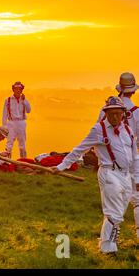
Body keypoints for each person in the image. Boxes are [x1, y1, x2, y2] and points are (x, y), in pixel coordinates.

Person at [51, 96, 139, 254]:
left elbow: (135, 156)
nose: (114, 116)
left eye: (117, 113)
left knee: (119, 211)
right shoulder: (99, 129)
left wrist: (137, 177)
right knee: (113, 212)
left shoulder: (128, 130)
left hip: (126, 176)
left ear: (123, 114)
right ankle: (108, 249)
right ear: (105, 113)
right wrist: (61, 166)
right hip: (108, 172)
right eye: (110, 113)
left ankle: (109, 241)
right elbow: (79, 149)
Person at [97, 72, 139, 238]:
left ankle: (110, 237)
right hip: (131, 158)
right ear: (133, 91)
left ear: (120, 88)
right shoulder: (137, 112)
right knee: (137, 199)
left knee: (112, 201)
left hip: (110, 161)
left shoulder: (105, 110)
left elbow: (98, 132)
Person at [2, 81, 31, 158]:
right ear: (13, 90)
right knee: (9, 143)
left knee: (22, 143)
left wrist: (24, 100)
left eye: (19, 89)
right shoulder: (8, 100)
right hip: (11, 123)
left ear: (21, 90)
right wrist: (4, 126)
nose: (18, 90)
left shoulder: (24, 100)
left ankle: (23, 161)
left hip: (21, 122)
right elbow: (4, 114)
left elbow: (29, 110)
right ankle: (7, 162)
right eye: (16, 89)